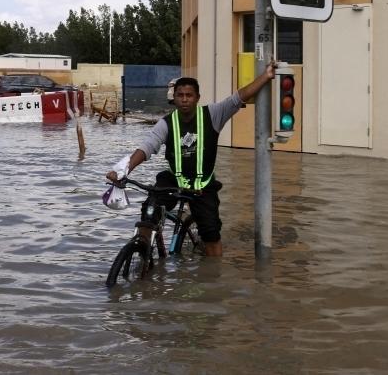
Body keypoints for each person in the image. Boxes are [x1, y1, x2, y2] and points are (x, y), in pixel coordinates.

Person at [107, 61, 276, 257]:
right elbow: (147, 147)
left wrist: (266, 76)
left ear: (197, 98)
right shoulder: (166, 123)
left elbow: (238, 97)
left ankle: (214, 275)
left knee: (211, 234)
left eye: (189, 95)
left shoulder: (212, 114)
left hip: (202, 186)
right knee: (149, 212)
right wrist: (124, 170)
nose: (184, 99)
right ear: (174, 98)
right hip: (173, 181)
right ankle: (142, 253)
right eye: (180, 95)